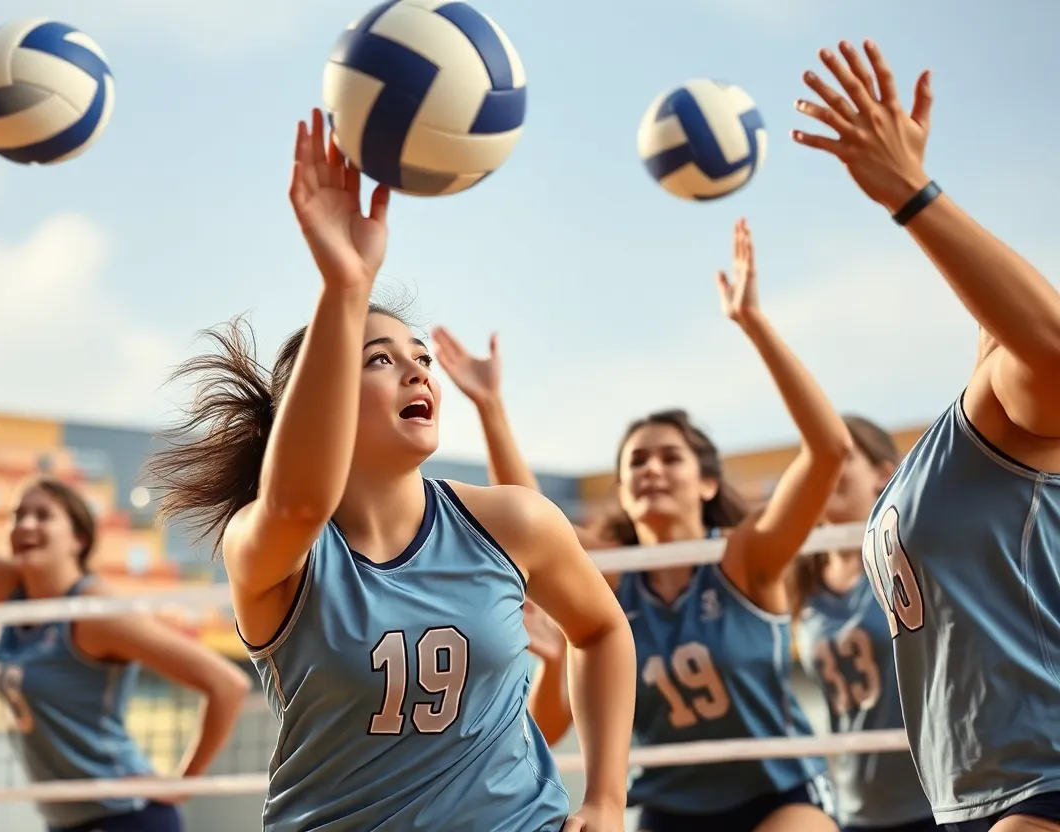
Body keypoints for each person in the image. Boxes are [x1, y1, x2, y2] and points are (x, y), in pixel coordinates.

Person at [145, 109, 635, 832]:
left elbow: (602, 632)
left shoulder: (512, 522)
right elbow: (298, 504)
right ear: (321, 404)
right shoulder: (268, 547)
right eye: (380, 358)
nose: (416, 369)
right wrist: (344, 285)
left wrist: (607, 797)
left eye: (421, 357)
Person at [433, 218, 851, 832]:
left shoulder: (744, 559)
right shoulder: (609, 578)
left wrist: (753, 323)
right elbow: (526, 514)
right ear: (623, 491)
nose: (653, 469)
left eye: (671, 457)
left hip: (778, 795)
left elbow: (828, 450)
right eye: (637, 462)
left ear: (707, 481)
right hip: (663, 805)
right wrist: (491, 407)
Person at [793, 39, 1060, 832]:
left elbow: (1048, 345)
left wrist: (912, 192)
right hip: (970, 794)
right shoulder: (946, 448)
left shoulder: (1015, 415)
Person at [0, 372, 250, 832]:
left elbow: (226, 685)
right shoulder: (8, 588)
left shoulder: (96, 614)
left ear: (78, 538)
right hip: (66, 816)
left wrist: (181, 784)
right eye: (17, 515)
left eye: (41, 515)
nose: (24, 525)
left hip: (126, 817)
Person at [789, 416, 938, 831]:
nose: (823, 470)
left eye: (840, 457)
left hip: (937, 800)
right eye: (811, 461)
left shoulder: (916, 552)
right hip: (858, 809)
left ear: (883, 474)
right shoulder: (801, 583)